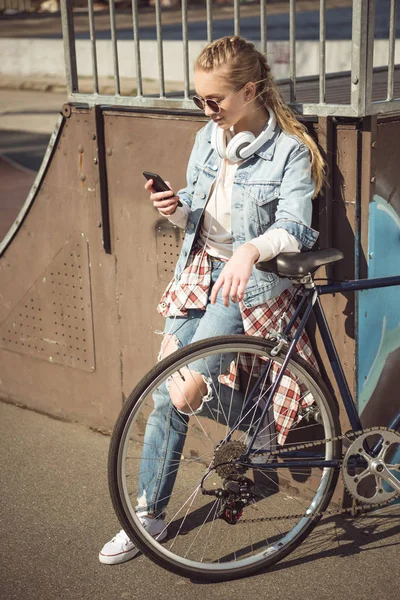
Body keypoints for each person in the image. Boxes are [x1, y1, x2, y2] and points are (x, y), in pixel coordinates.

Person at [99, 35, 325, 565]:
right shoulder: (208, 138)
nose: (206, 110)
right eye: (198, 98)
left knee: (178, 394)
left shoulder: (288, 152)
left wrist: (250, 250)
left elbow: (298, 226)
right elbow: (198, 214)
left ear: (250, 90)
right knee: (161, 394)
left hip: (243, 284)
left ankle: (260, 417)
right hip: (198, 270)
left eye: (214, 100)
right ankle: (149, 515)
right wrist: (174, 208)